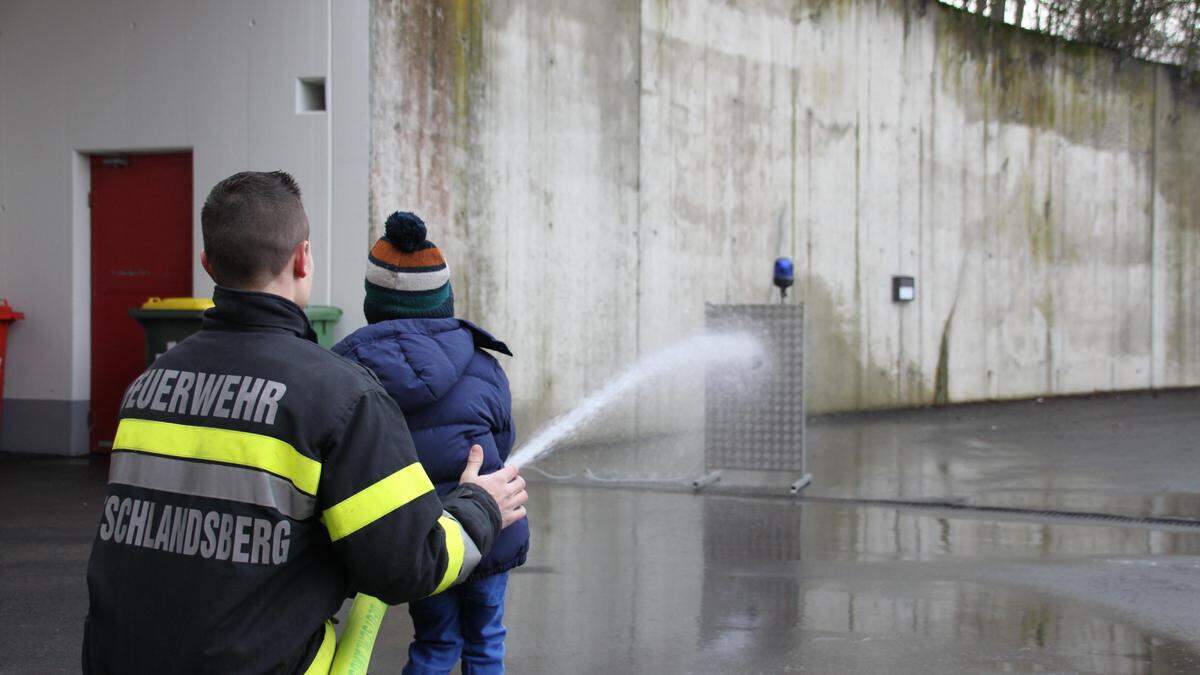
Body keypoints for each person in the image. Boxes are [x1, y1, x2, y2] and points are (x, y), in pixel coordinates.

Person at [82, 171, 527, 674]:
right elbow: (408, 568)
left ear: (208, 264)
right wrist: (479, 505)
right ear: (302, 258)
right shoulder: (339, 394)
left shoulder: (148, 387)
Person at [333, 211, 528, 675]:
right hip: (493, 527)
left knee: (436, 642)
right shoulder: (482, 364)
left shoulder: (352, 372)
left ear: (372, 303)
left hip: (426, 538)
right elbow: (505, 436)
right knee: (486, 641)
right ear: (444, 299)